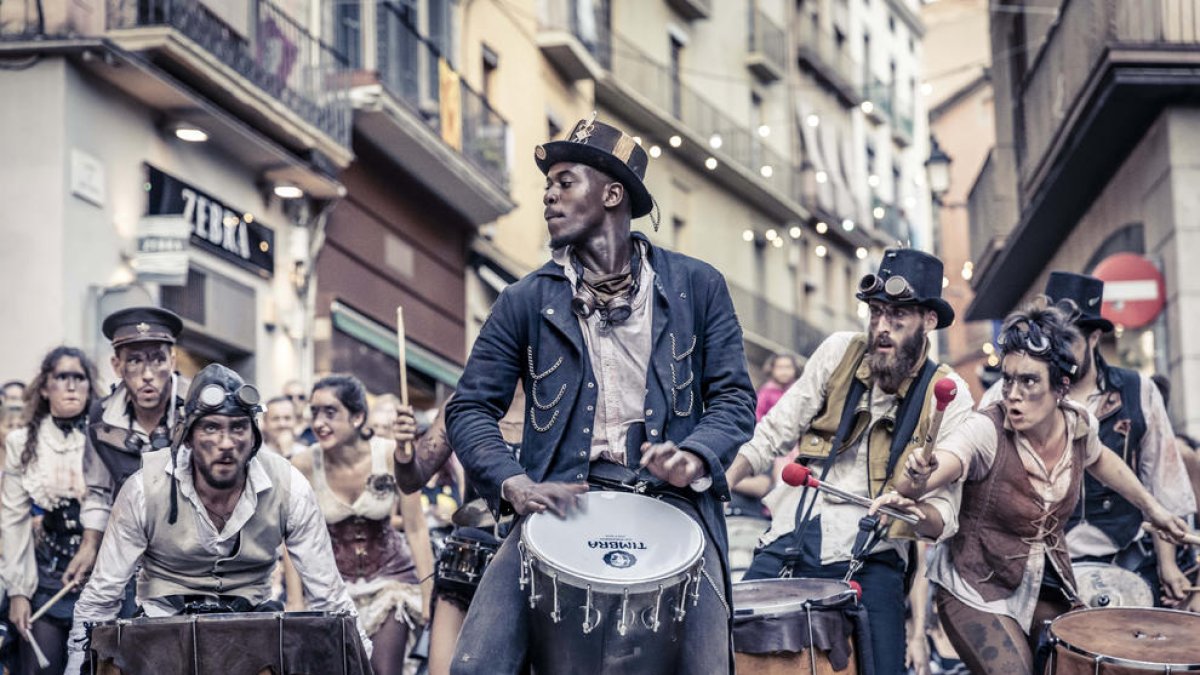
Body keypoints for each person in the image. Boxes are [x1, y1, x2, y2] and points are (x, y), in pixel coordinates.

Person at [444, 115, 757, 674]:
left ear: (613, 193)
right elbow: (469, 407)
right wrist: (511, 481)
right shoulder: (524, 299)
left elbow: (734, 398)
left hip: (676, 505)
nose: (548, 196)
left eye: (565, 182)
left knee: (709, 669)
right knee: (475, 666)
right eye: (548, 186)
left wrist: (694, 457)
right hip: (561, 505)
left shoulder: (697, 285)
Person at [896, 299, 1189, 674]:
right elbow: (937, 467)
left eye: (1029, 380)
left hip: (1044, 580)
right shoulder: (987, 428)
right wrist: (917, 476)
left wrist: (1155, 509)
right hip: (976, 587)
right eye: (1009, 379)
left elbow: (1101, 460)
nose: (1013, 393)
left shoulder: (1078, 424)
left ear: (1060, 389)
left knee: (1079, 666)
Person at [724, 248, 976, 675]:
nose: (882, 327)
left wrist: (917, 509)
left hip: (874, 553)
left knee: (883, 667)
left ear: (928, 321)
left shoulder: (948, 391)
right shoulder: (839, 351)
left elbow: (944, 518)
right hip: (793, 535)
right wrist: (721, 484)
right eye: (876, 313)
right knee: (735, 642)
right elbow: (772, 432)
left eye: (897, 317)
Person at [66, 364, 369, 673]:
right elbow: (102, 596)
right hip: (163, 634)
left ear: (253, 438)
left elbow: (329, 595)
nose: (226, 442)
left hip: (254, 631)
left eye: (238, 427)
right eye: (211, 427)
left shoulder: (289, 486)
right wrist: (76, 666)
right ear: (187, 438)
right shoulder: (143, 489)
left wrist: (361, 658)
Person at [978, 273, 1195, 604]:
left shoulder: (1138, 391)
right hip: (1037, 569)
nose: (1058, 353)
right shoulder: (1008, 391)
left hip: (1125, 561)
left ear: (1094, 338)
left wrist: (1168, 565)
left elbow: (1162, 484)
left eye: (1068, 343)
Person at [291, 376, 425, 675]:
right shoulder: (302, 464)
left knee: (383, 670)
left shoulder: (391, 453)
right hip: (332, 589)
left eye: (330, 412)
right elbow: (293, 539)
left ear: (358, 417)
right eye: (314, 412)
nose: (320, 422)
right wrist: (295, 600)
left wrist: (428, 595)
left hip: (392, 582)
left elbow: (415, 526)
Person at [2, 347, 100, 674]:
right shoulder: (22, 441)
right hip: (47, 575)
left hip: (102, 577)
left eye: (79, 378)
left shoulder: (108, 436)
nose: (71, 386)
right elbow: (13, 522)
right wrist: (18, 592)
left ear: (90, 387)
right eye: (62, 377)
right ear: (45, 387)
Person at [77, 306, 187, 583]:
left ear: (172, 361)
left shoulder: (200, 406)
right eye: (135, 361)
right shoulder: (101, 417)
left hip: (193, 550)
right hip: (130, 550)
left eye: (157, 360)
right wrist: (90, 544)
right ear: (117, 366)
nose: (147, 374)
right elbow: (99, 491)